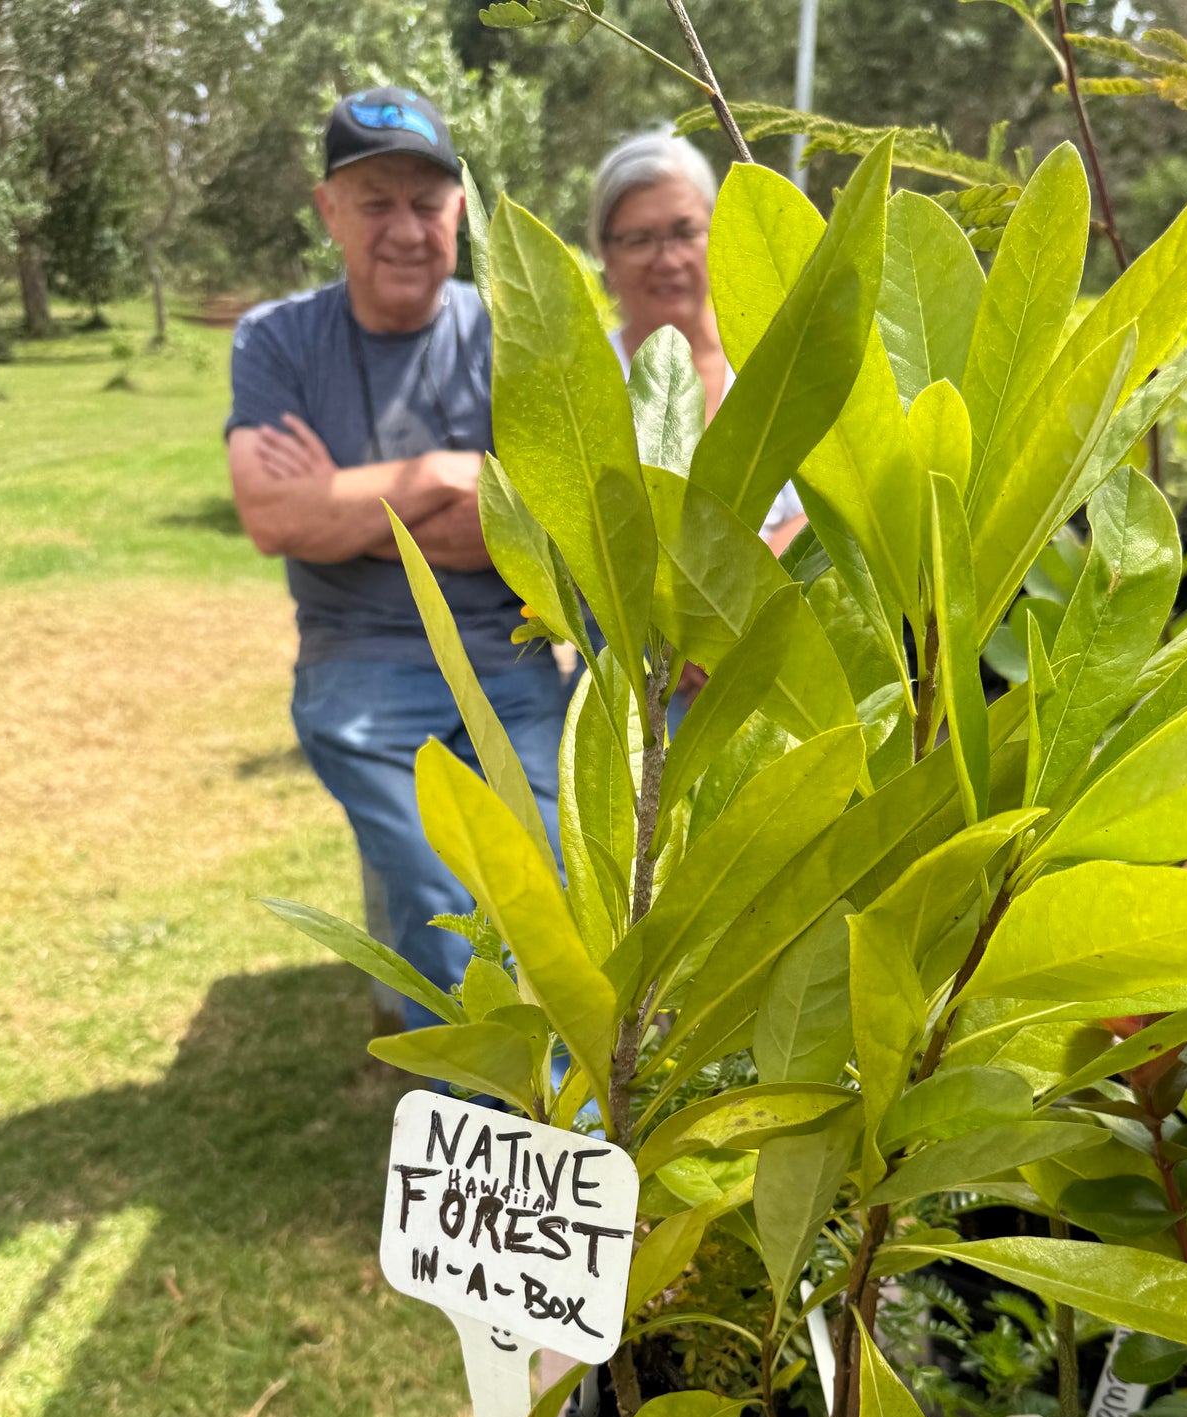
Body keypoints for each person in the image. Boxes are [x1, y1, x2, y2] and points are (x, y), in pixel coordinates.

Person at [226, 87, 571, 1029]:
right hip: (359, 668)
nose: (406, 229)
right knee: (433, 884)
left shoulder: (508, 332)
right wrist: (443, 470)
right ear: (327, 210)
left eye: (427, 202)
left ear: (459, 210)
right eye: (375, 202)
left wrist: (343, 497)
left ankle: (565, 1119)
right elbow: (268, 515)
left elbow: (526, 528)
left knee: (552, 872)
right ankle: (484, 1122)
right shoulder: (277, 340)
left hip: (508, 657)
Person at [592, 131, 806, 726]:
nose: (667, 258)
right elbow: (575, 524)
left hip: (779, 643)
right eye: (639, 239)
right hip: (638, 674)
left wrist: (741, 596)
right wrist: (677, 625)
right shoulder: (587, 379)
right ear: (606, 255)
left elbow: (824, 507)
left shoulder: (768, 366)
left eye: (686, 231)